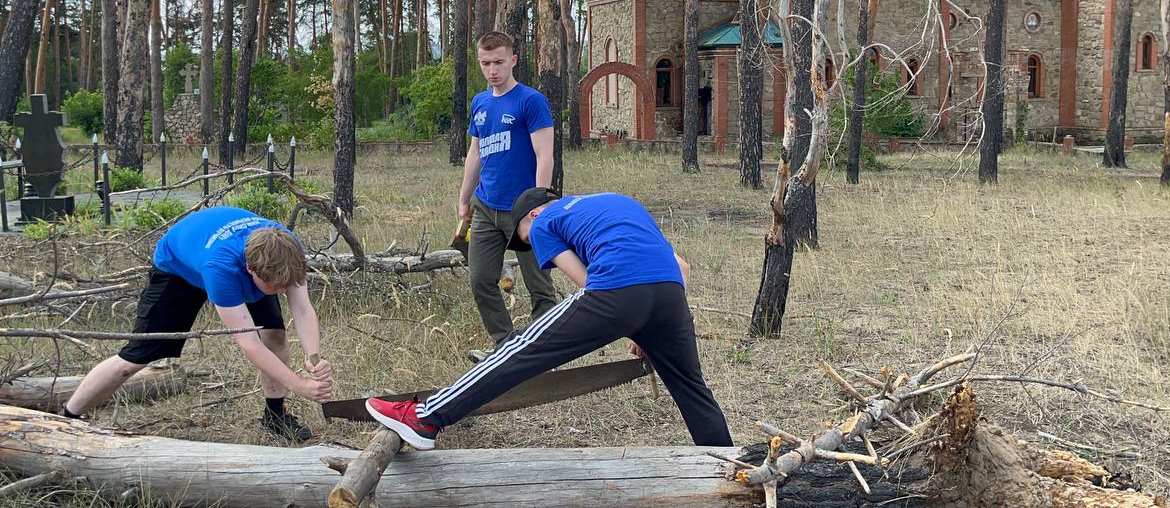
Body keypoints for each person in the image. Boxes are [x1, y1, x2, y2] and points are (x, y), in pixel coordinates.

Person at [366, 187, 733, 449]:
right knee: (693, 390)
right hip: (669, 295)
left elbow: (588, 283)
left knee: (519, 348)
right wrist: (646, 326)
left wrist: (628, 315)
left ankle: (425, 417)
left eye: (523, 239)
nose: (529, 244)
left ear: (533, 214)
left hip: (617, 289)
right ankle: (730, 467)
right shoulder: (617, 201)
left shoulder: (544, 222)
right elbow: (680, 267)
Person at [61, 206, 332, 442]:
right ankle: (67, 417)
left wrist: (313, 357)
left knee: (275, 336)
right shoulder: (222, 269)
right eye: (275, 287)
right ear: (251, 270)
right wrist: (299, 385)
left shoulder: (287, 250)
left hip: (217, 249)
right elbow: (248, 342)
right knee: (134, 359)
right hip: (177, 268)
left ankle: (275, 418)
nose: (282, 292)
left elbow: (303, 309)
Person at [457, 30, 559, 360]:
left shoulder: (531, 101)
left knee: (539, 286)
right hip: (485, 205)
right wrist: (464, 198)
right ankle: (506, 346)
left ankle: (543, 353)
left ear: (513, 60)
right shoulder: (480, 103)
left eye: (499, 62)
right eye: (486, 63)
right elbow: (475, 154)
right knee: (481, 280)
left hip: (524, 211)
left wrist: (539, 203)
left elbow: (546, 155)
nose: (493, 70)